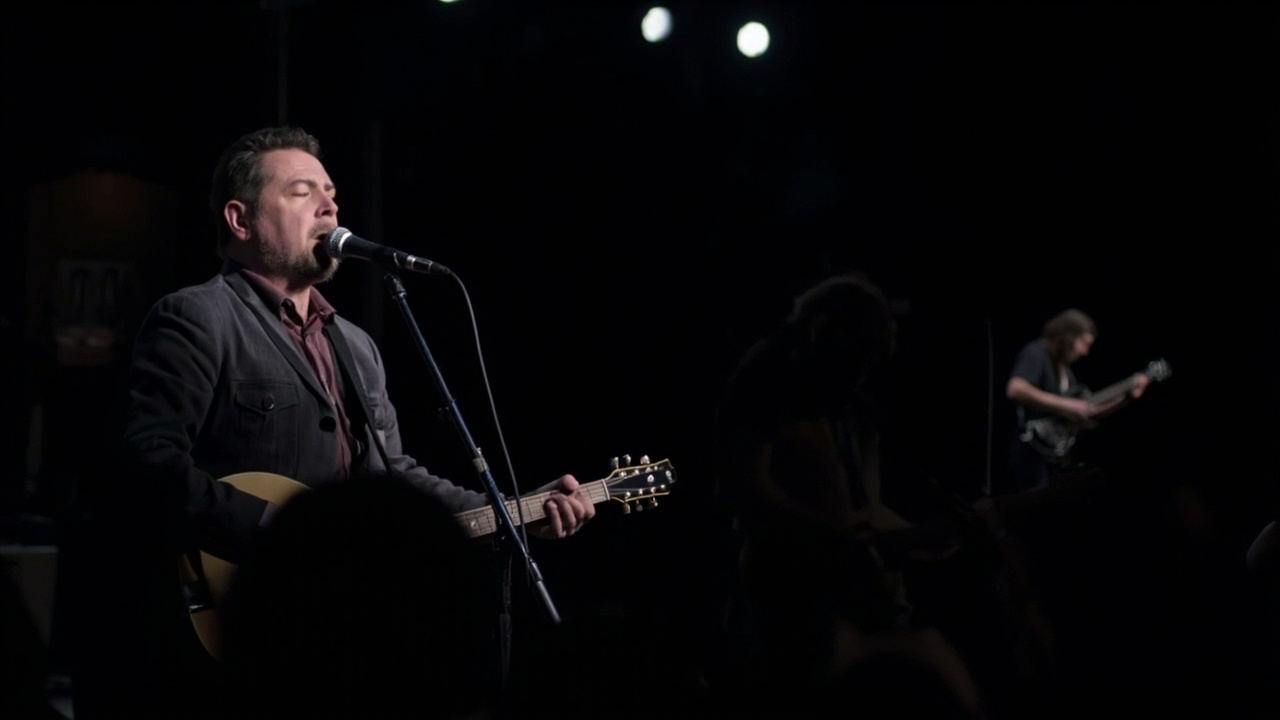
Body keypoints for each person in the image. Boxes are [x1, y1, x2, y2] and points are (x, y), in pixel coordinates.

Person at [67, 125, 596, 720]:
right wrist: (282, 531)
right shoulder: (197, 316)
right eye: (301, 191)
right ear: (240, 221)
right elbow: (150, 462)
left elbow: (394, 476)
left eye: (331, 193)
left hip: (341, 634)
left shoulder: (357, 345)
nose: (329, 205)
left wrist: (513, 512)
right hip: (241, 618)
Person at [708, 271, 985, 719]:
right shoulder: (768, 376)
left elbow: (862, 512)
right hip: (792, 609)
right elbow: (745, 485)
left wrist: (921, 536)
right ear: (821, 334)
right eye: (855, 356)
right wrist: (836, 537)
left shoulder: (848, 404)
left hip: (859, 605)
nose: (860, 374)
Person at [1003, 308, 1149, 495]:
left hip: (1054, 459)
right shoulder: (1036, 353)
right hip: (1029, 455)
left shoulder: (1067, 375)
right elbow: (1016, 388)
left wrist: (1126, 398)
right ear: (1068, 335)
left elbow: (1088, 413)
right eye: (1083, 343)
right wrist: (1068, 404)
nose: (1085, 352)